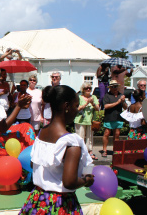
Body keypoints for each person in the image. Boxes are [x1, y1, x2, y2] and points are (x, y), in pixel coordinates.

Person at [18, 85, 94, 214]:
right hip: (61, 203)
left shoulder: (41, 134)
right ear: (66, 106)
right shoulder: (72, 142)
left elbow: (32, 164)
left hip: (37, 200)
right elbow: (69, 182)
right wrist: (87, 180)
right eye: (76, 106)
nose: (77, 111)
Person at [74, 82, 100, 161]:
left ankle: (89, 152)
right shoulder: (79, 97)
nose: (88, 89)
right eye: (86, 88)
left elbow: (98, 109)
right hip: (80, 120)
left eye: (90, 88)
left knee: (89, 138)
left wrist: (92, 103)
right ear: (83, 89)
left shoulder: (94, 97)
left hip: (90, 120)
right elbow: (76, 109)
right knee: (80, 137)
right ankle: (80, 152)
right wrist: (86, 104)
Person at [102, 80, 127, 158]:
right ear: (110, 88)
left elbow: (125, 107)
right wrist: (118, 102)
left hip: (118, 117)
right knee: (107, 133)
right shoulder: (107, 95)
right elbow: (106, 106)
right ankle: (104, 150)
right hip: (109, 117)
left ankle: (115, 150)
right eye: (113, 86)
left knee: (117, 134)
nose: (115, 88)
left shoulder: (120, 95)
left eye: (116, 86)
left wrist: (123, 102)